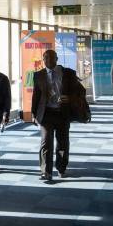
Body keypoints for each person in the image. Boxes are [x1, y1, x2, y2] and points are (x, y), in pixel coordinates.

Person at [31, 50, 80, 182]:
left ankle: (61, 167)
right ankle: (46, 171)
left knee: (62, 143)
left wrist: (69, 98)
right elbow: (36, 95)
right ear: (43, 59)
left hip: (62, 113)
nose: (48, 60)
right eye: (45, 58)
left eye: (51, 58)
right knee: (46, 141)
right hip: (46, 113)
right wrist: (33, 113)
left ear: (57, 59)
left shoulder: (68, 73)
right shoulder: (38, 75)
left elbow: (78, 92)